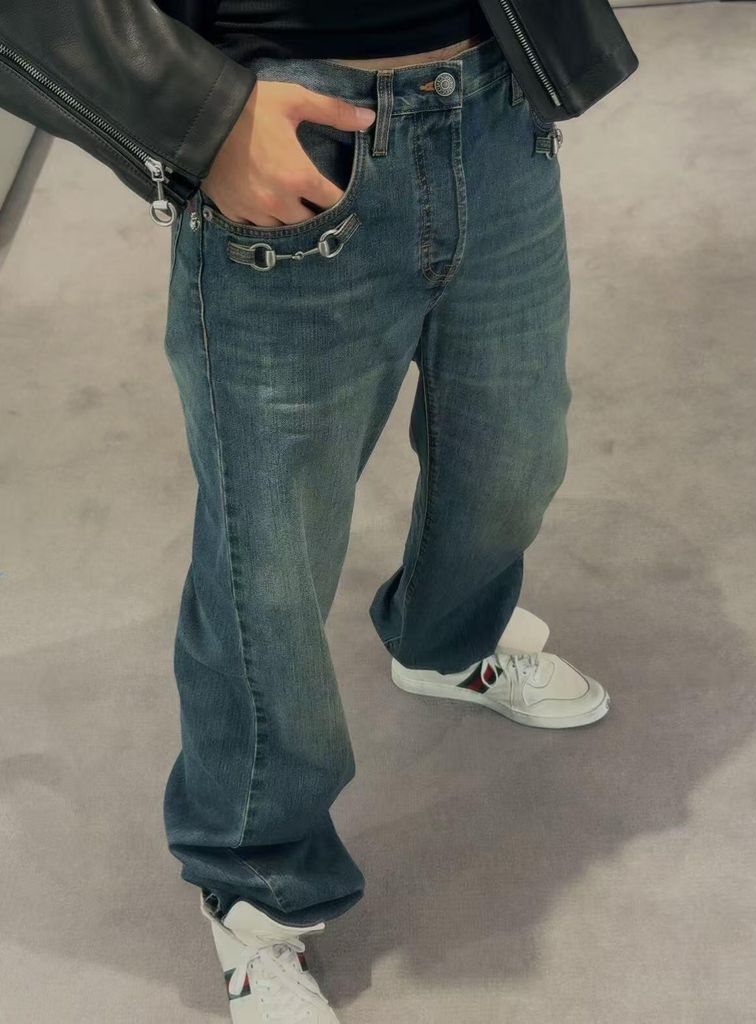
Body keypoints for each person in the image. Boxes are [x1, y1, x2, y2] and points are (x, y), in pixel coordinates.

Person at [1, 2, 613, 1020]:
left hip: (494, 109)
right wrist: (199, 118)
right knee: (269, 566)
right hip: (292, 133)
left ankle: (446, 639)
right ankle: (255, 884)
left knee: (513, 453)